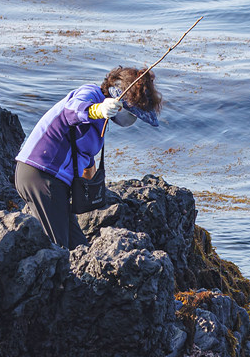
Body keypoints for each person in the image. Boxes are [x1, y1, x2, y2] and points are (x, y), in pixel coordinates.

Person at [14, 67, 162, 247]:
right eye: (133, 113)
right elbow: (72, 111)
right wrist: (98, 110)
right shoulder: (90, 93)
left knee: (78, 246)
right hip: (40, 174)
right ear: (117, 98)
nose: (133, 119)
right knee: (57, 248)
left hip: (57, 183)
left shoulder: (103, 120)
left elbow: (82, 153)